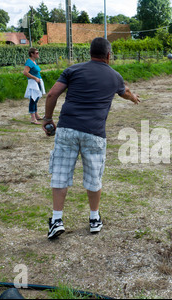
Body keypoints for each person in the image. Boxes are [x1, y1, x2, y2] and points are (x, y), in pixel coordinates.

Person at [43, 37, 140, 240]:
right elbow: (126, 92)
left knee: (60, 174)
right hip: (94, 133)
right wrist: (134, 98)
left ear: (90, 53)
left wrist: (48, 119)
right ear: (108, 55)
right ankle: (94, 219)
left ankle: (57, 220)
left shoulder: (73, 70)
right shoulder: (115, 76)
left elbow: (52, 94)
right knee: (94, 176)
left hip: (67, 129)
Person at [23, 48, 45, 124]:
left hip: (37, 82)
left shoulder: (34, 61)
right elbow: (25, 72)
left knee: (36, 98)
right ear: (32, 54)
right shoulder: (29, 62)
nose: (38, 54)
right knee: (33, 99)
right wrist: (35, 78)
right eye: (36, 53)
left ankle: (36, 115)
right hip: (33, 83)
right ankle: (33, 118)